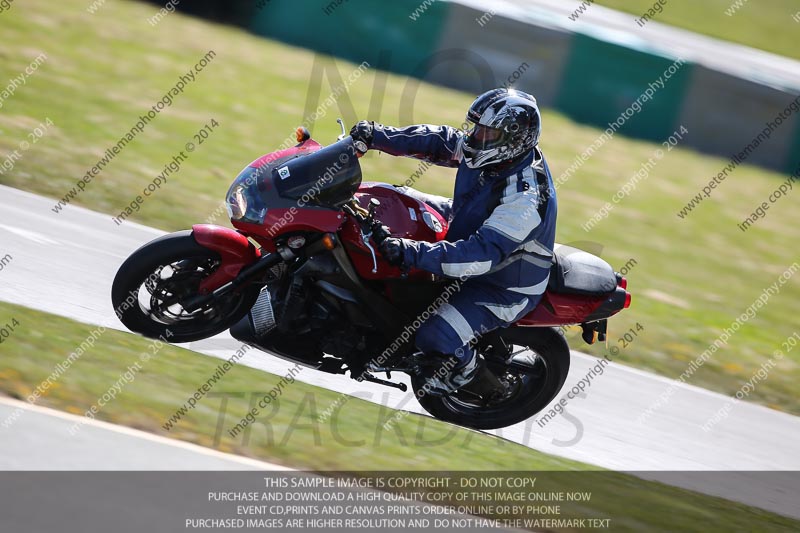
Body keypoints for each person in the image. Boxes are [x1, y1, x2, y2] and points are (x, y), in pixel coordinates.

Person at [350, 88, 558, 394]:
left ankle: (470, 374)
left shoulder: (526, 197)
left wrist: (411, 252)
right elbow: (439, 141)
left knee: (436, 336)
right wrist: (377, 136)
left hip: (500, 283)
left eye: (487, 133)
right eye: (476, 128)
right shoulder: (492, 151)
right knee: (389, 198)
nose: (475, 138)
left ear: (514, 140)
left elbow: (479, 257)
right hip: (467, 226)